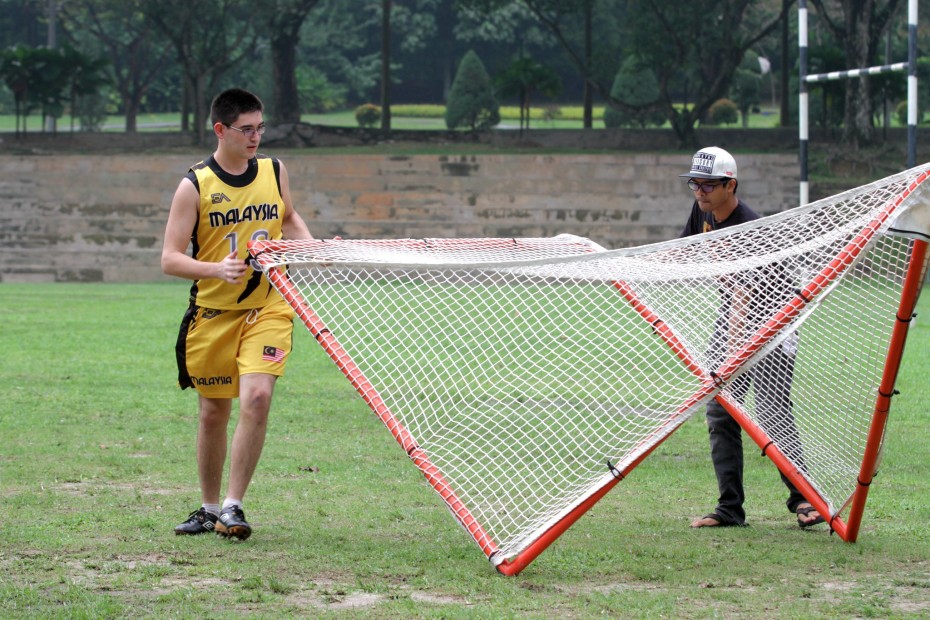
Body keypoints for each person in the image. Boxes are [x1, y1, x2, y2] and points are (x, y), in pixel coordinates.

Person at [161, 88, 313, 540]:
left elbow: (289, 217)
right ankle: (208, 508)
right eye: (246, 129)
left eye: (260, 127)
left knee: (258, 399)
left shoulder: (274, 169)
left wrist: (310, 247)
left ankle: (233, 506)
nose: (256, 137)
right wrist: (214, 268)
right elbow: (169, 259)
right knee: (213, 413)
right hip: (213, 312)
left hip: (269, 304)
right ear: (220, 130)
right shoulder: (194, 185)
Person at [678, 146, 824, 529]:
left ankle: (804, 500)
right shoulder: (702, 213)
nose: (700, 191)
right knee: (720, 410)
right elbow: (682, 255)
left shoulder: (748, 227)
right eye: (695, 183)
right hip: (733, 316)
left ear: (731, 185)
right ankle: (730, 510)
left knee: (772, 412)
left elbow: (745, 297)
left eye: (709, 184)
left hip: (775, 321)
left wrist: (734, 354)